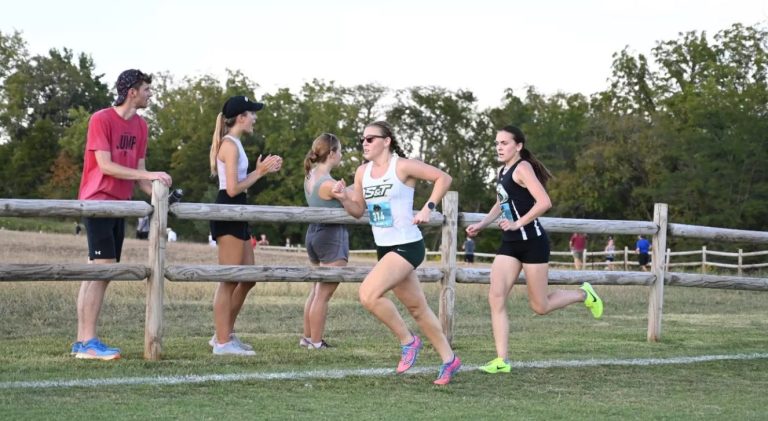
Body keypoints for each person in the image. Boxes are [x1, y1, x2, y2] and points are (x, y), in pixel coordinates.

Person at [465, 125, 603, 375]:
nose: (499, 147)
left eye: (505, 143)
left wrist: (518, 222)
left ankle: (584, 294)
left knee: (539, 306)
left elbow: (545, 202)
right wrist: (483, 224)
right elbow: (501, 201)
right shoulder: (503, 171)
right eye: (497, 143)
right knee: (496, 297)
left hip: (532, 242)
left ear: (518, 146)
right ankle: (501, 360)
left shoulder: (523, 168)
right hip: (510, 244)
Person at [331, 121, 461, 385]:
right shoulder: (362, 172)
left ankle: (408, 341)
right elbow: (358, 210)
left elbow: (443, 178)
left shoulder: (401, 166)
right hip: (385, 248)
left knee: (368, 294)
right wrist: (343, 196)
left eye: (370, 138)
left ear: (386, 140)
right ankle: (450, 360)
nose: (364, 143)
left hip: (407, 245)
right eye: (362, 139)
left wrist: (428, 207)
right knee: (418, 308)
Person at [72, 69, 172, 360]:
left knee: (97, 269)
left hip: (122, 204)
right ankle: (89, 341)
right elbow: (105, 166)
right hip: (98, 201)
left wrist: (159, 190)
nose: (150, 94)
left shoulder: (141, 126)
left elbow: (139, 176)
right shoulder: (101, 119)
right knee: (102, 268)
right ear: (132, 92)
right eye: (146, 89)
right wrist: (149, 173)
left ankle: (82, 341)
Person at [208, 95, 283, 356]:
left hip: (239, 211)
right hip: (229, 210)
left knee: (248, 278)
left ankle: (224, 332)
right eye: (252, 113)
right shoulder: (229, 145)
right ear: (241, 117)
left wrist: (261, 170)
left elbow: (238, 186)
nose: (255, 118)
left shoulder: (235, 144)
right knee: (229, 280)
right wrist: (260, 173)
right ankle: (221, 342)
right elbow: (231, 190)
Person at [300, 133, 354, 350]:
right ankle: (316, 341)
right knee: (323, 294)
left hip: (313, 235)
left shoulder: (310, 175)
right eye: (339, 151)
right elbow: (346, 198)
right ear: (331, 153)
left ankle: (307, 338)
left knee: (315, 291)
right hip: (331, 238)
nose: (341, 155)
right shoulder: (329, 183)